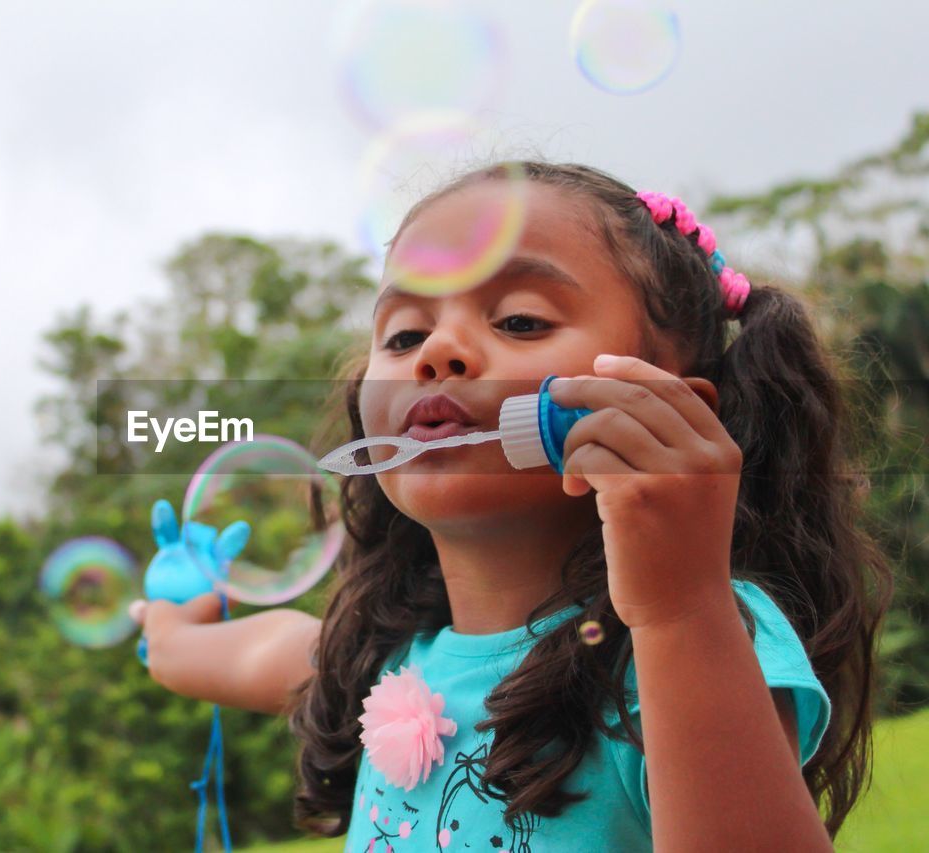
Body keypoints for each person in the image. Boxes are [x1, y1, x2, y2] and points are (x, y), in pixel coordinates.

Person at [128, 161, 894, 851]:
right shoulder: (388, 655)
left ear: (670, 409)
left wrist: (681, 601)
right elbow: (245, 653)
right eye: (402, 334)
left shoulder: (690, 635)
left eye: (520, 320)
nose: (437, 351)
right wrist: (179, 615)